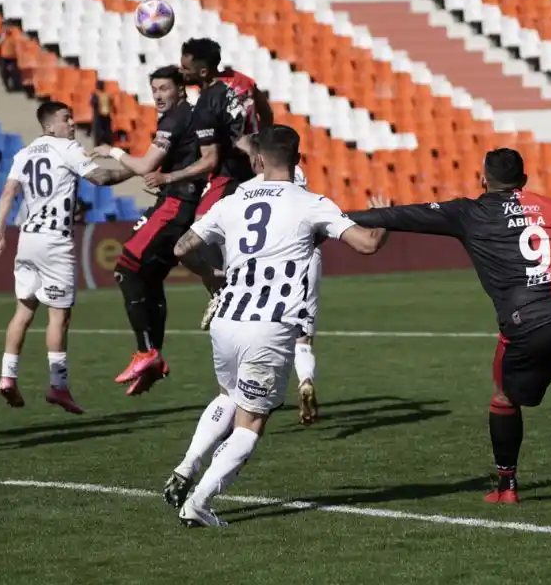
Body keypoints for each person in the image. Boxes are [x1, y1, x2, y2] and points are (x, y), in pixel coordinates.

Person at [349, 148, 551, 515]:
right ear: (524, 180)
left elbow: (401, 216)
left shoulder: (469, 212)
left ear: (483, 179)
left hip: (529, 324)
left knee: (504, 398)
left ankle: (507, 486)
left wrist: (331, 218)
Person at [163, 124, 387, 527]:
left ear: (258, 159)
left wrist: (211, 275)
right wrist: (384, 218)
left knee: (228, 396)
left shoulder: (233, 200)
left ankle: (186, 466)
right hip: (268, 326)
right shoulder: (310, 202)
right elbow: (368, 244)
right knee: (251, 422)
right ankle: (198, 502)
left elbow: (181, 248)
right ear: (297, 160)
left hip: (226, 319)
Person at [0, 101, 133, 413]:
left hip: (27, 239)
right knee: (59, 316)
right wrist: (134, 168)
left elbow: (8, 193)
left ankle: (7, 376)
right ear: (49, 126)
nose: (72, 124)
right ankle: (58, 386)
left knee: (23, 311)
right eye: (66, 119)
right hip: (54, 241)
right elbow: (100, 178)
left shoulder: (24, 153)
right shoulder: (66, 148)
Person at [91, 66, 213, 395]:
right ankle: (154, 358)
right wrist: (114, 176)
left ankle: (147, 353)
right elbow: (155, 165)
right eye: (154, 89)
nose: (157, 95)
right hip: (177, 204)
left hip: (174, 205)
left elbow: (146, 165)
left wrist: (113, 151)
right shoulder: (184, 116)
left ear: (180, 90)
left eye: (164, 88)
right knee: (150, 277)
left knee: (126, 269)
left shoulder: (176, 118)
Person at [234, 145, 321, 424]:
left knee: (265, 328)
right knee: (302, 338)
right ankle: (305, 380)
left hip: (267, 261)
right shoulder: (297, 176)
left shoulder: (248, 188)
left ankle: (249, 391)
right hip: (305, 257)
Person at [174, 39, 256, 327]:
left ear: (203, 71)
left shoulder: (208, 102)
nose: (181, 71)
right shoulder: (241, 83)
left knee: (197, 232)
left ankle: (222, 291)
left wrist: (168, 177)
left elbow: (211, 158)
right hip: (250, 170)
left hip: (228, 174)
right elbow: (263, 114)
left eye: (186, 68)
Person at [90, 81, 114, 146]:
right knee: (97, 132)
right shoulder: (95, 94)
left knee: (107, 132)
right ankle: (97, 145)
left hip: (106, 116)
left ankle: (107, 144)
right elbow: (92, 103)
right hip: (98, 116)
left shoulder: (106, 94)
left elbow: (111, 102)